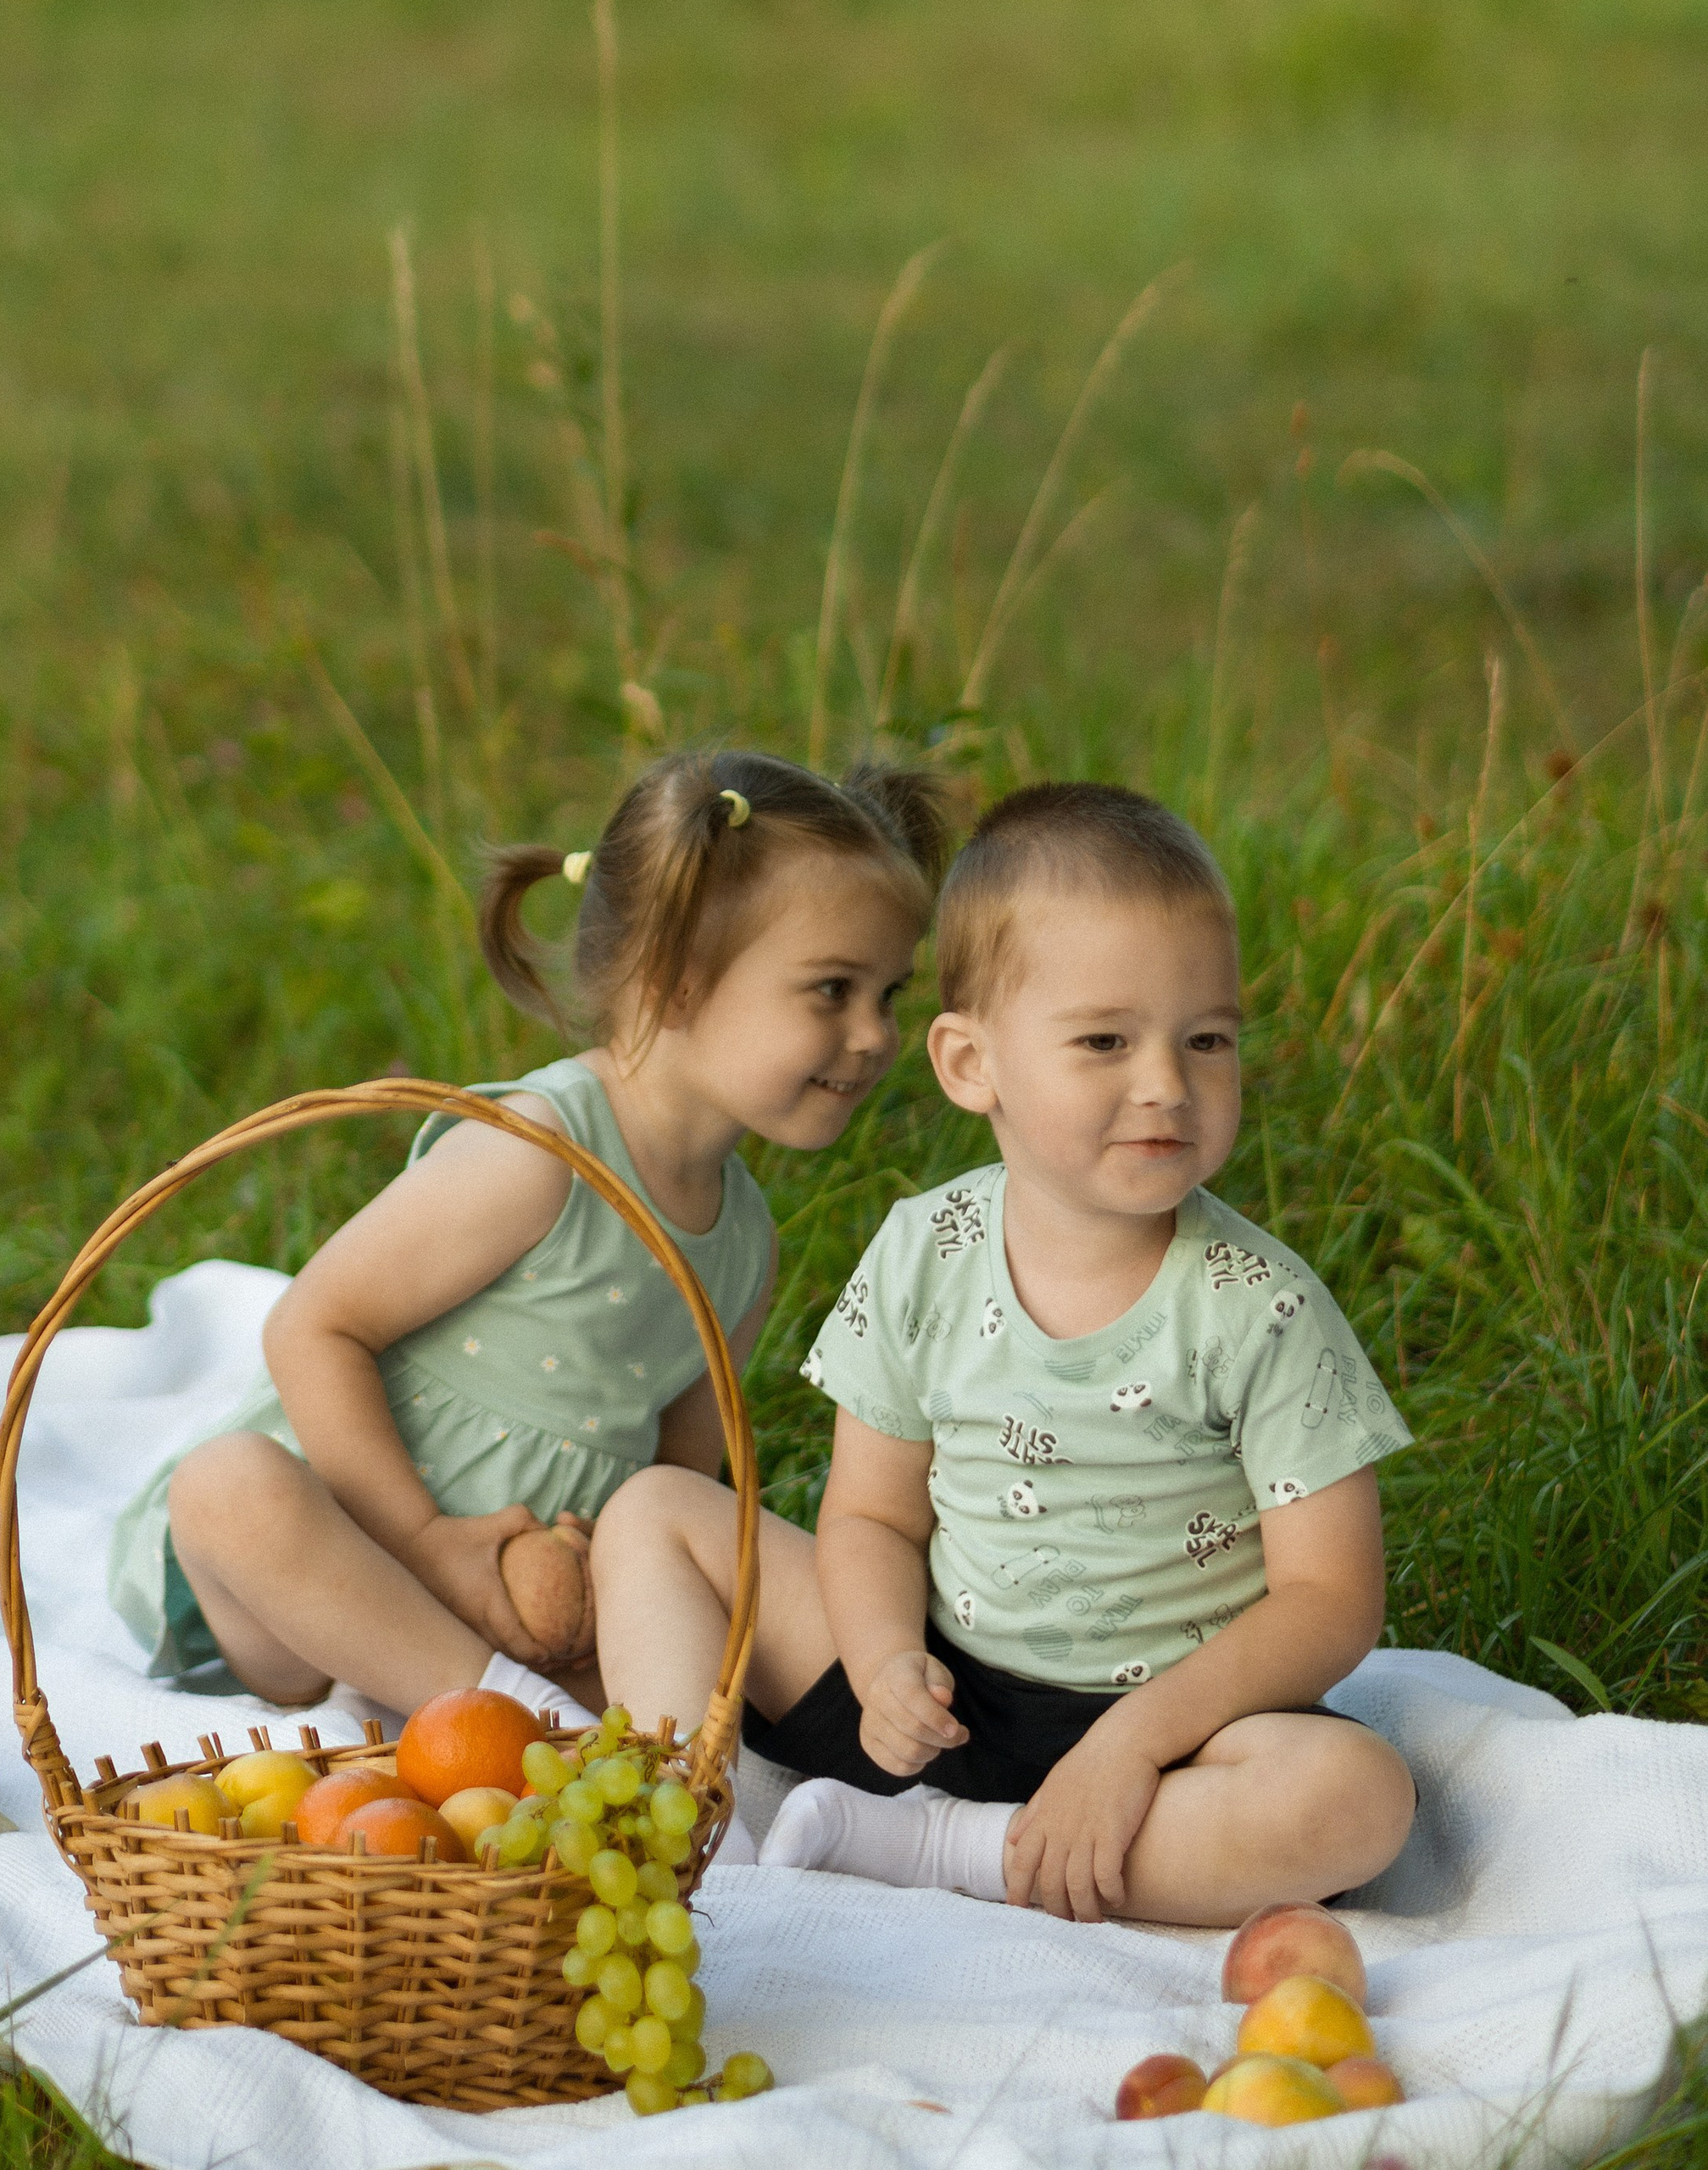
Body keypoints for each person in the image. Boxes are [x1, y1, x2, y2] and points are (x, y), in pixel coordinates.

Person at [620, 778, 1418, 1924]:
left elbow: (1330, 1599)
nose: (1166, 1085)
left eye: (1207, 1039)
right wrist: (887, 1660)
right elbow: (874, 1518)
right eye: (1104, 1039)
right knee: (655, 1514)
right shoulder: (922, 1253)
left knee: (1355, 1799)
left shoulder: (1258, 1308)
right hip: (936, 1688)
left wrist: (1133, 1748)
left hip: (1172, 1734)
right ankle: (689, 1830)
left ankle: (955, 1854)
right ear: (969, 1065)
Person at [106, 745, 948, 1747]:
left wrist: (594, 1593)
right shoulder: (540, 1151)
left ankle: (529, 1710)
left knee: (702, 1644)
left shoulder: (741, 1242)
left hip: (528, 1602)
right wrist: (424, 1543)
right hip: (342, 1564)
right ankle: (509, 1719)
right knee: (227, 1487)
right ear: (675, 983)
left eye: (888, 994)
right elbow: (313, 1327)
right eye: (831, 990)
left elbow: (668, 1488)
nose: (874, 1035)